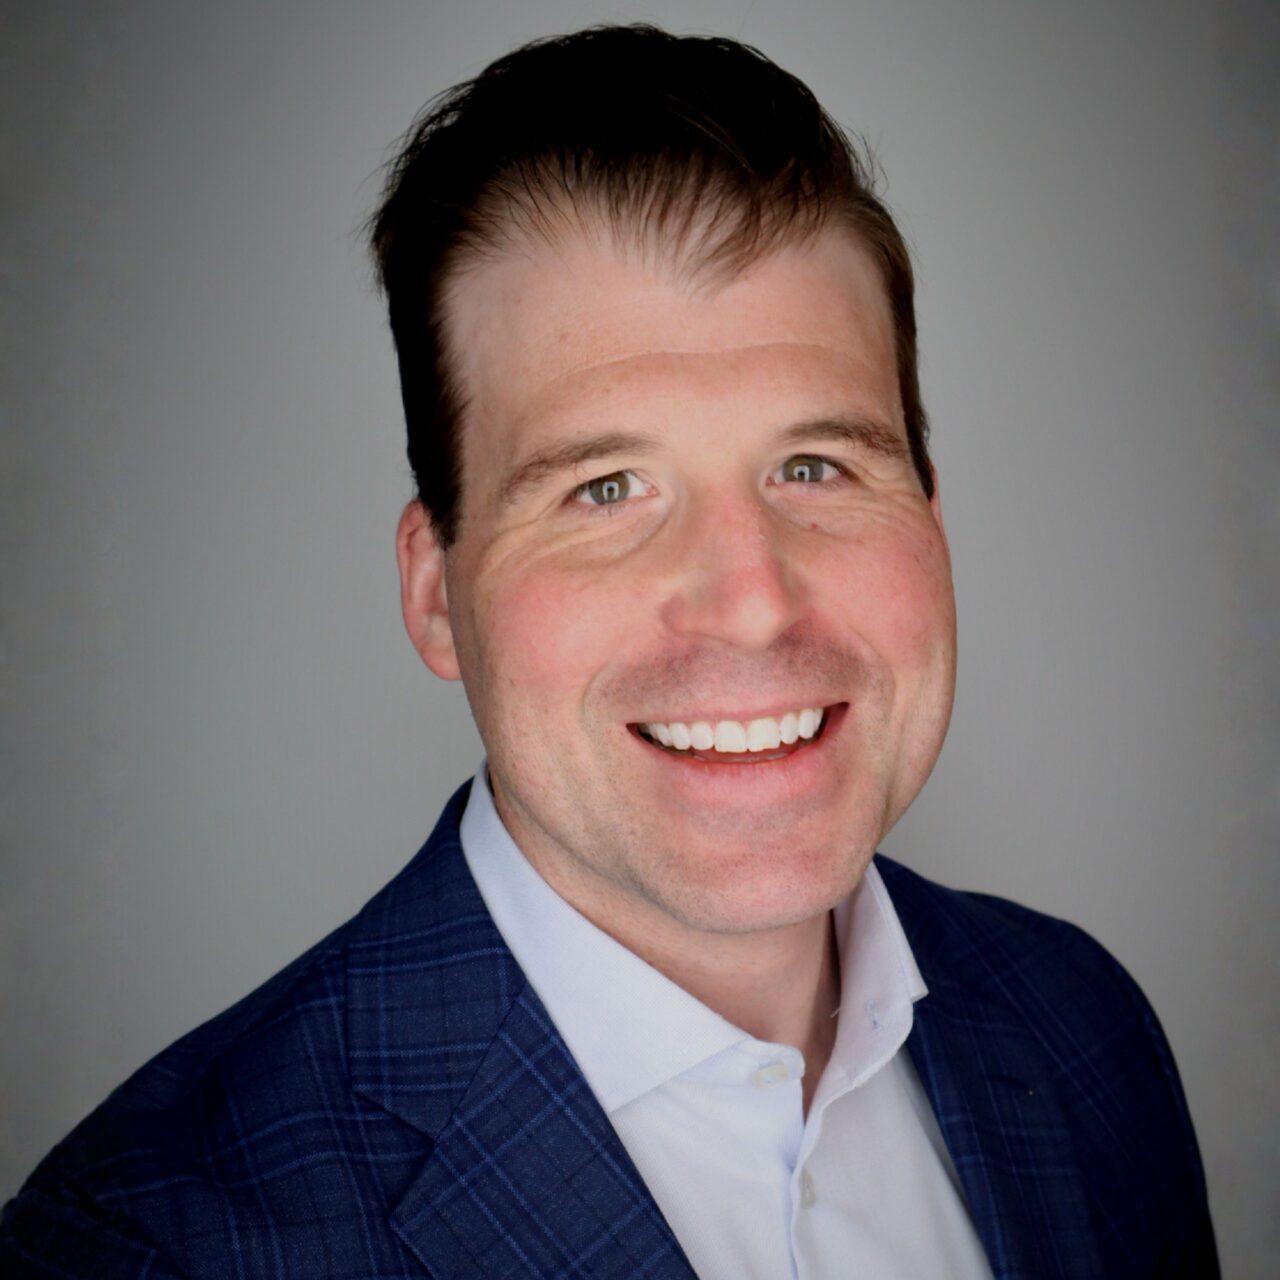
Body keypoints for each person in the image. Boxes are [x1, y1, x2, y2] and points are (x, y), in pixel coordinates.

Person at [1, 23, 1217, 1279]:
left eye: (814, 465)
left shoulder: (1082, 1030)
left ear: (928, 512)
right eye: (604, 488)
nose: (750, 603)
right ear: (434, 594)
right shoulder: (144, 1242)